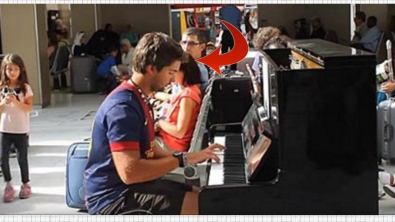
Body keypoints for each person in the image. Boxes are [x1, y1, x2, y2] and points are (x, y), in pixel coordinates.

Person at [84, 32, 225, 215]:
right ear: (152, 69)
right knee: (200, 206)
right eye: (171, 72)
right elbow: (130, 173)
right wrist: (178, 160)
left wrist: (187, 157)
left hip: (132, 187)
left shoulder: (140, 96)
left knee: (201, 196)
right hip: (112, 198)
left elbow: (149, 147)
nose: (173, 79)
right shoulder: (123, 108)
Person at [0, 54, 33, 202]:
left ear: (21, 70)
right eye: (9, 69)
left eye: (16, 69)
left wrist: (16, 101)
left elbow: (28, 108)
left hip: (20, 129)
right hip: (4, 129)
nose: (12, 72)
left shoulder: (25, 88)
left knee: (22, 159)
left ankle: (25, 183)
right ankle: (8, 184)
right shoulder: (2, 88)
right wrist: (4, 102)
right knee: (3, 158)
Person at [155, 54, 203, 152]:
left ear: (185, 72)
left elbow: (179, 131)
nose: (172, 77)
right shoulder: (188, 91)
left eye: (175, 72)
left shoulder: (188, 96)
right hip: (167, 140)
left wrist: (159, 123)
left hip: (170, 145)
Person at [219, 4, 242, 70]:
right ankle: (233, 67)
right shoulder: (237, 10)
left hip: (226, 32)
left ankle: (224, 66)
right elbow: (239, 21)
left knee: (224, 50)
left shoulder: (222, 10)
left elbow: (221, 20)